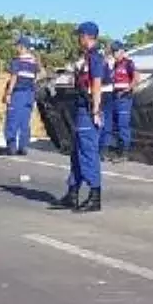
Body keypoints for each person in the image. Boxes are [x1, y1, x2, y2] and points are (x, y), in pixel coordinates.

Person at [51, 21, 107, 213]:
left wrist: (96, 110)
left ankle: (95, 195)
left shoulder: (95, 58)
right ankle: (72, 193)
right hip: (81, 108)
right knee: (77, 152)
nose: (78, 39)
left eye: (79, 35)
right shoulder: (86, 58)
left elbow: (97, 84)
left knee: (87, 152)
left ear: (86, 36)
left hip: (89, 109)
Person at [3, 36, 39, 155]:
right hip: (30, 94)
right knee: (25, 121)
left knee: (12, 120)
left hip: (18, 93)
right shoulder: (34, 62)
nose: (16, 48)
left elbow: (14, 78)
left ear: (22, 47)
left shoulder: (17, 61)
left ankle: (12, 146)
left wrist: (8, 93)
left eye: (17, 46)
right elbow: (35, 79)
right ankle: (23, 146)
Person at [108, 40, 137, 160]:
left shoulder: (128, 63)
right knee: (113, 124)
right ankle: (116, 150)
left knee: (123, 125)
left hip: (124, 98)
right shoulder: (114, 65)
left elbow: (136, 78)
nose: (114, 54)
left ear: (121, 51)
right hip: (114, 96)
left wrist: (128, 90)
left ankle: (124, 153)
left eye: (116, 51)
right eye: (113, 52)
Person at [98, 43, 116, 159]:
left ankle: (102, 149)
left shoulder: (101, 62)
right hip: (106, 93)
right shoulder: (110, 63)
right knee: (106, 122)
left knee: (102, 121)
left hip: (102, 93)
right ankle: (103, 149)